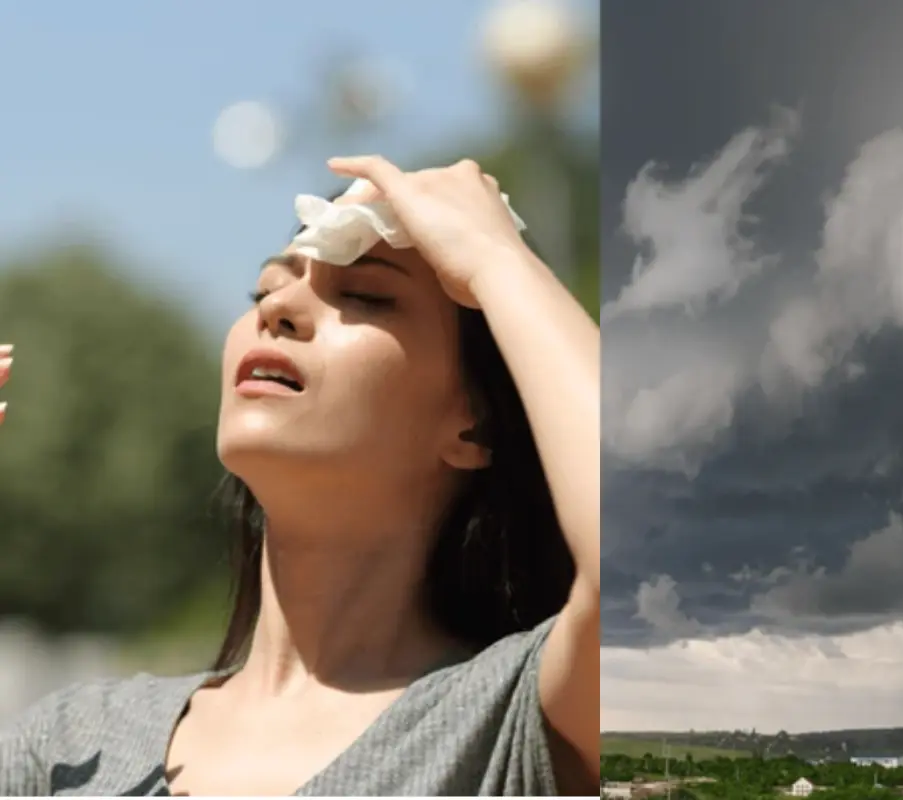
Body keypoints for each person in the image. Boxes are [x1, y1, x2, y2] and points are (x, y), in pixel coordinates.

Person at [0, 156, 600, 796]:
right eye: (264, 289)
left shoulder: (514, 723)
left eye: (366, 295)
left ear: (474, 426)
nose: (280, 307)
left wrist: (495, 255)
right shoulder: (71, 744)